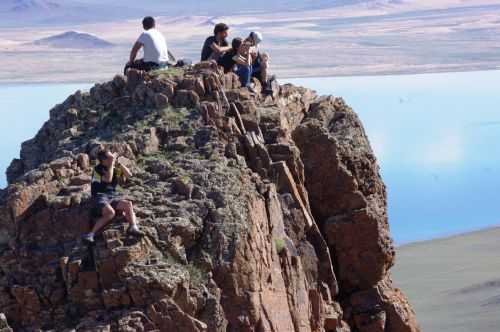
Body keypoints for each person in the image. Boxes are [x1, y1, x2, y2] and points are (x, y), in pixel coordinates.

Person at [82, 150, 143, 244]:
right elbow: (108, 179)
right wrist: (111, 164)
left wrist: (119, 164)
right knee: (110, 212)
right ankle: (91, 234)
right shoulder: (98, 169)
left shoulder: (114, 168)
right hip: (100, 196)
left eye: (112, 157)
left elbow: (129, 175)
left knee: (128, 204)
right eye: (110, 157)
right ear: (103, 159)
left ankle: (133, 227)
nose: (112, 158)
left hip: (113, 196)